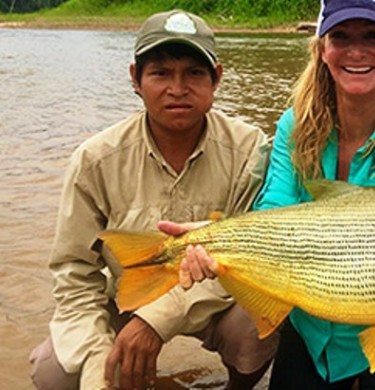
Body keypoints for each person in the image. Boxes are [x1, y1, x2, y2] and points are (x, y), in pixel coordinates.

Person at [177, 0, 375, 388]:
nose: (356, 52)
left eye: (372, 37)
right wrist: (222, 239)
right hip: (311, 329)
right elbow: (275, 206)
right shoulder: (294, 126)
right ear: (322, 49)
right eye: (340, 37)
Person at [28, 9, 278, 390]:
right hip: (128, 298)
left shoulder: (250, 150)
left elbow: (256, 262)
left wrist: (157, 322)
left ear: (217, 79)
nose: (177, 88)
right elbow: (74, 274)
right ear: (135, 79)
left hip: (215, 300)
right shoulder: (95, 160)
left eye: (194, 73)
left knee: (264, 319)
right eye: (160, 73)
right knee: (53, 371)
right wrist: (101, 364)